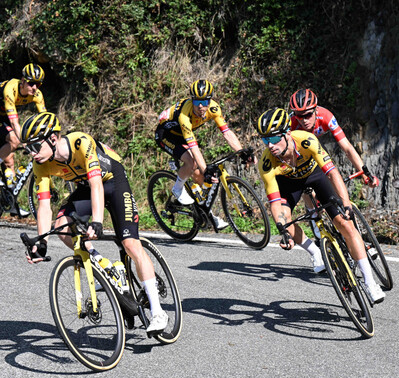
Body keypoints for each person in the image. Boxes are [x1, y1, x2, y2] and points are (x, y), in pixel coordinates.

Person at [20, 112, 169, 333]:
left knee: (129, 243)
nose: (31, 153)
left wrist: (97, 222)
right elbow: (44, 205)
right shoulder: (40, 164)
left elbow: (97, 184)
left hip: (112, 180)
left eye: (34, 146)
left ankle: (158, 312)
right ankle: (104, 265)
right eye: (28, 148)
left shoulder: (81, 142)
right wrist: (42, 243)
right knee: (63, 224)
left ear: (53, 138)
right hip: (86, 187)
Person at [257, 107, 385, 303]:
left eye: (274, 139)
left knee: (345, 224)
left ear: (286, 134)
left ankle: (370, 282)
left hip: (315, 175)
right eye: (265, 140)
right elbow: (274, 203)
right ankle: (315, 252)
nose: (270, 145)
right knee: (286, 220)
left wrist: (346, 203)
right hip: (289, 184)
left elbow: (333, 173)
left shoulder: (306, 141)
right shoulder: (267, 163)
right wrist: (282, 227)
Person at [155, 79, 255, 229]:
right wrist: (205, 170)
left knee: (201, 177)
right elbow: (193, 147)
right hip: (166, 135)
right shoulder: (185, 114)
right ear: (192, 100)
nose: (201, 106)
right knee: (192, 162)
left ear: (210, 100)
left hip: (182, 135)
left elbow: (227, 133)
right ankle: (177, 188)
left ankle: (206, 214)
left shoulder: (214, 108)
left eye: (204, 101)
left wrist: (241, 153)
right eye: (197, 102)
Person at [289, 88, 379, 242]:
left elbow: (347, 148)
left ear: (316, 110)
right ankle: (313, 214)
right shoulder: (291, 125)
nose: (304, 120)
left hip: (316, 147)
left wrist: (364, 172)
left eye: (308, 114)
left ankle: (355, 239)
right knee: (305, 179)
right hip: (300, 152)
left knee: (332, 180)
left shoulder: (326, 116)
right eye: (299, 115)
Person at [0, 63, 47, 217]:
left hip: (3, 117)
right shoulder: (10, 89)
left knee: (9, 161)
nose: (35, 87)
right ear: (23, 81)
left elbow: (46, 119)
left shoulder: (37, 95)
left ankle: (11, 203)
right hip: (5, 117)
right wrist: (25, 141)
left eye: (38, 84)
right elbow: (14, 123)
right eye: (32, 83)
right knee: (14, 140)